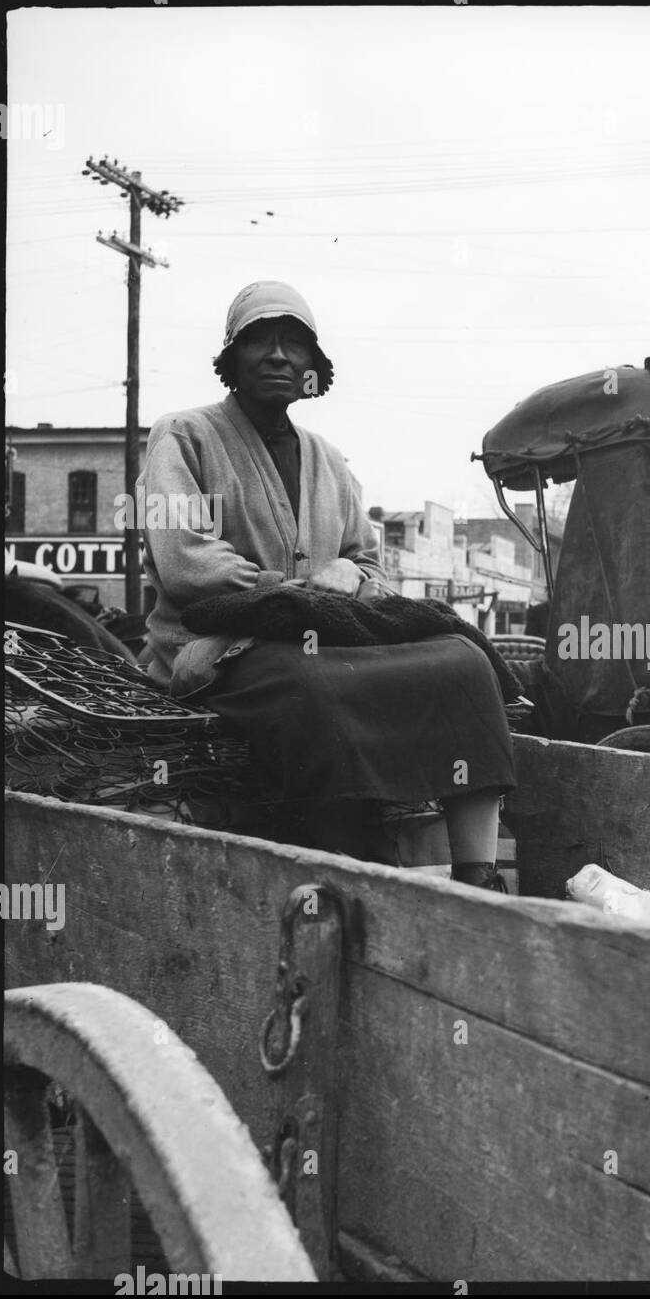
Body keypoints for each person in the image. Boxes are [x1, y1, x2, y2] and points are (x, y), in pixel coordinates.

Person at [140, 281, 515, 886]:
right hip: (217, 651)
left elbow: (370, 566)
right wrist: (303, 590)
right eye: (259, 339)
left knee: (463, 661)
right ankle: (354, 872)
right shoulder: (184, 435)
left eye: (296, 343)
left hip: (325, 641)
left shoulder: (329, 460)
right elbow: (188, 565)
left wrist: (351, 576)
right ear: (231, 359)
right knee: (307, 682)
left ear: (315, 366)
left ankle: (479, 879)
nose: (279, 355)